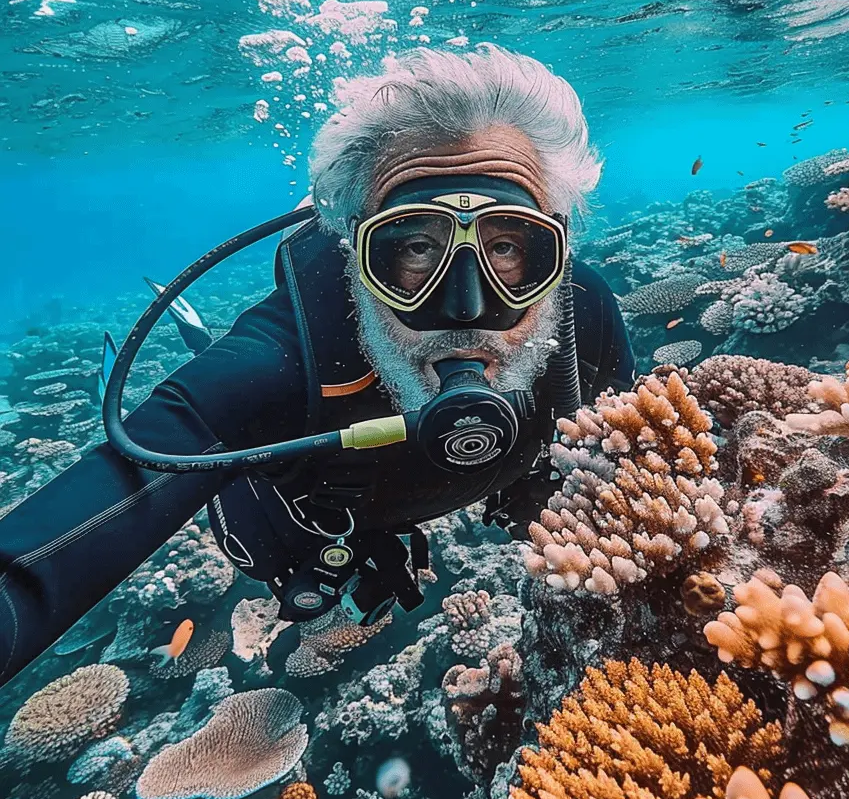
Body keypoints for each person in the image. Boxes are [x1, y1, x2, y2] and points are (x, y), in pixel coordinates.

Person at [0, 45, 634, 689]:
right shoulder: (277, 361)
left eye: (504, 245)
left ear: (553, 245)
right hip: (313, 524)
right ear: (356, 253)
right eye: (416, 248)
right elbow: (35, 567)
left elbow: (640, 459)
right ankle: (198, 341)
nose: (464, 311)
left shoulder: (585, 313)